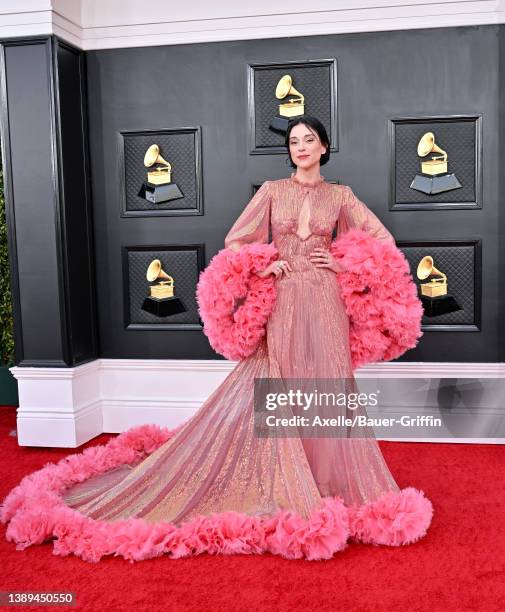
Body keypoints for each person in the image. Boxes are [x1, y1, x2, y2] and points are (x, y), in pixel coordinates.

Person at [1, 115, 433, 562]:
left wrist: (342, 264)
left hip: (325, 301)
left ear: (324, 147)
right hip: (285, 302)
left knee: (328, 381)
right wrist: (266, 265)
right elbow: (236, 241)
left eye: (309, 140)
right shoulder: (271, 191)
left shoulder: (340, 197)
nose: (300, 147)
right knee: (282, 383)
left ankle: (325, 478)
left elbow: (382, 240)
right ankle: (287, 478)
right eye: (294, 141)